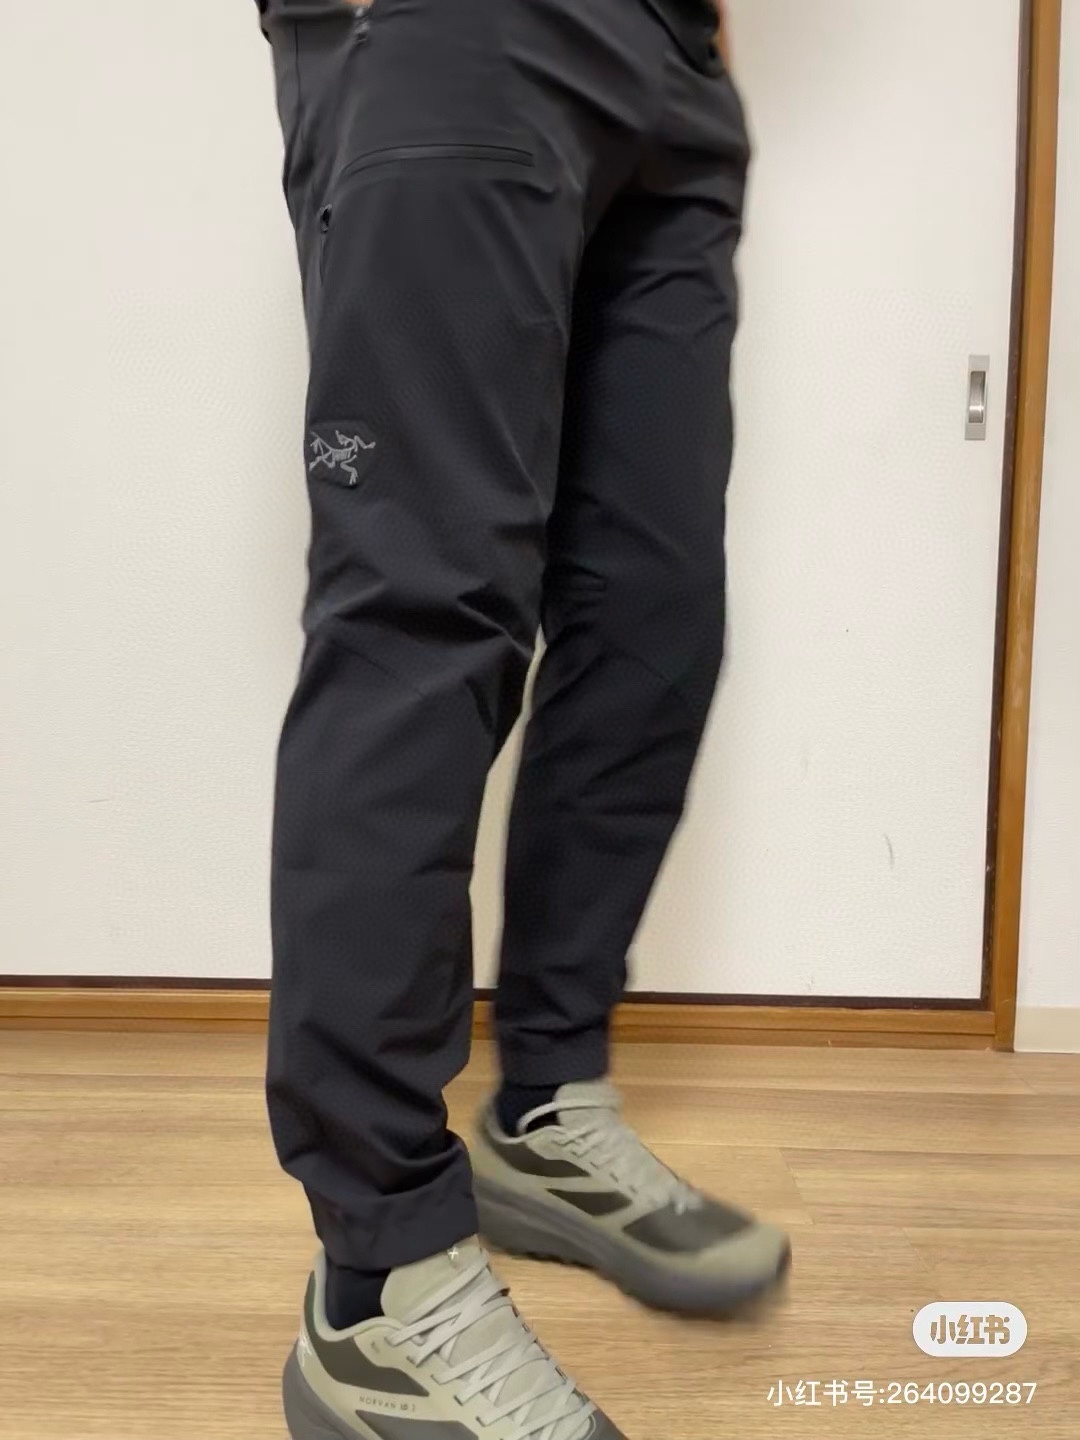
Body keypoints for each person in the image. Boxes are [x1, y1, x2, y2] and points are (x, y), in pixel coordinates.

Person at [255, 1, 789, 1435]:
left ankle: (547, 1106)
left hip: (670, 65)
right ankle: (379, 1282)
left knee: (653, 614)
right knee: (424, 620)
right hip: (461, 28)